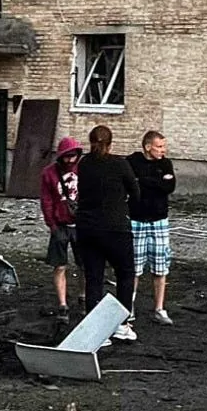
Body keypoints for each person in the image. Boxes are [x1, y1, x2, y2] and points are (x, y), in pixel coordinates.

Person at [74, 125, 140, 343]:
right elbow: (135, 192)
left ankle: (96, 331)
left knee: (94, 278)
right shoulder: (120, 164)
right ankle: (121, 324)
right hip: (115, 227)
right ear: (111, 143)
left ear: (90, 141)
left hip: (87, 227)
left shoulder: (84, 164)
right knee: (125, 274)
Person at [127, 130, 177, 325]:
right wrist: (157, 182)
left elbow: (169, 187)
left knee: (160, 266)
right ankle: (128, 307)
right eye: (159, 146)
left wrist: (144, 181)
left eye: (164, 146)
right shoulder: (132, 162)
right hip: (136, 220)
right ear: (148, 147)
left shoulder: (166, 164)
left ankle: (159, 308)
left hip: (159, 221)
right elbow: (131, 185)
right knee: (134, 267)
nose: (163, 150)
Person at [39, 136, 83, 318]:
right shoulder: (49, 173)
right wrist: (52, 225)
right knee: (59, 266)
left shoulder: (84, 170)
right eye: (67, 156)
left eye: (73, 156)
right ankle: (62, 303)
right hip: (60, 224)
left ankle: (83, 296)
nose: (70, 160)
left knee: (84, 264)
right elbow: (46, 201)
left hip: (81, 225)